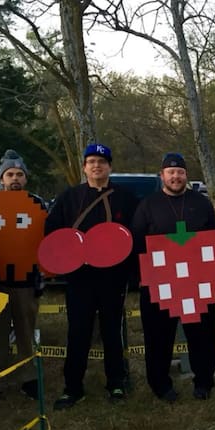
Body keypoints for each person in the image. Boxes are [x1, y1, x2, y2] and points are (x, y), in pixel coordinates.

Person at [44, 143, 137, 410]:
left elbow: (136, 234)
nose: (97, 166)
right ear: (85, 167)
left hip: (113, 278)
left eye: (102, 161)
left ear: (110, 166)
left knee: (112, 331)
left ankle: (116, 382)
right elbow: (53, 234)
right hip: (79, 279)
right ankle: (73, 387)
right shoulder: (69, 198)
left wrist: (129, 271)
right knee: (78, 332)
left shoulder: (126, 198)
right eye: (92, 161)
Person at [131, 153, 215, 401]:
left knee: (201, 333)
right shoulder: (148, 205)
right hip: (160, 283)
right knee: (158, 335)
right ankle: (160, 384)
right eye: (171, 172)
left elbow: (214, 238)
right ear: (162, 176)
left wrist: (214, 277)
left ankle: (203, 381)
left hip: (196, 282)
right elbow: (137, 243)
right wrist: (140, 276)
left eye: (180, 172)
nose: (176, 176)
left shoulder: (201, 203)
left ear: (186, 176)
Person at [0, 149, 45, 400]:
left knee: (26, 332)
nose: (15, 178)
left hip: (26, 281)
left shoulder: (37, 205)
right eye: (10, 174)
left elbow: (44, 243)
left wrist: (41, 277)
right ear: (2, 178)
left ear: (25, 178)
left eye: (19, 174)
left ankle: (28, 378)